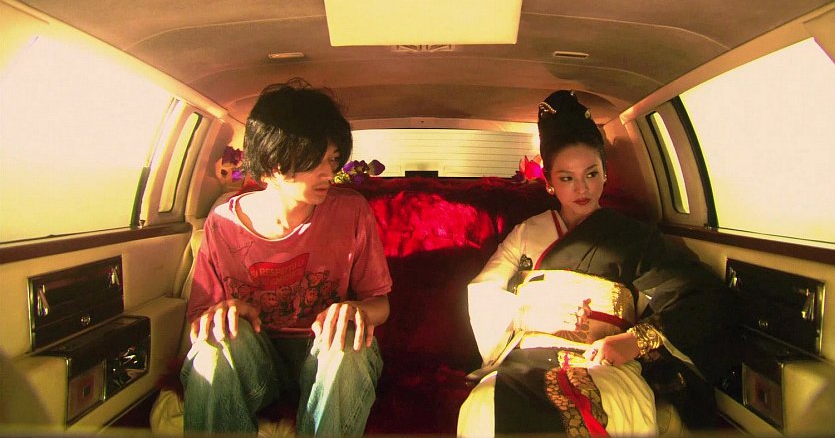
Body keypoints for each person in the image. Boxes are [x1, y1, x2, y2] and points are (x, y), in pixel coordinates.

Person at [458, 90, 738, 437]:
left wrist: (634, 341)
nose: (582, 188)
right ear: (549, 183)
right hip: (528, 356)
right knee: (485, 406)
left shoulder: (634, 237)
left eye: (591, 174)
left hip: (605, 359)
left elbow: (701, 295)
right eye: (566, 178)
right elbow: (483, 291)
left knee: (609, 408)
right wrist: (529, 315)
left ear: (605, 173)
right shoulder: (527, 233)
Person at [181, 78, 392, 436]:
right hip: (258, 356)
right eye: (315, 162)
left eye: (333, 160)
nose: (329, 173)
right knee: (214, 343)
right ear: (273, 164)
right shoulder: (222, 223)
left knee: (346, 343)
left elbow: (380, 304)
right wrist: (222, 313)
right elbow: (198, 322)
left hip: (325, 353)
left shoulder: (351, 211)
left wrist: (355, 310)